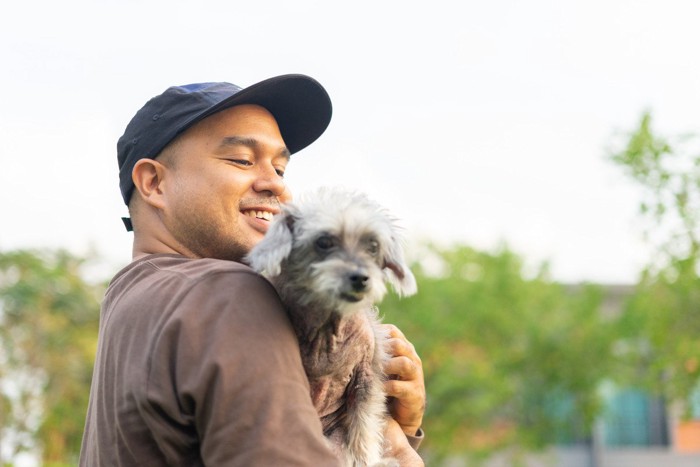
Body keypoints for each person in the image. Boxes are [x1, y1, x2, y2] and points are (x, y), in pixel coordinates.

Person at [79, 75, 426, 466]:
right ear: (154, 182)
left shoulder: (130, 299)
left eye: (280, 168)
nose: (276, 186)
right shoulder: (228, 293)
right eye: (242, 160)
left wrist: (394, 429)